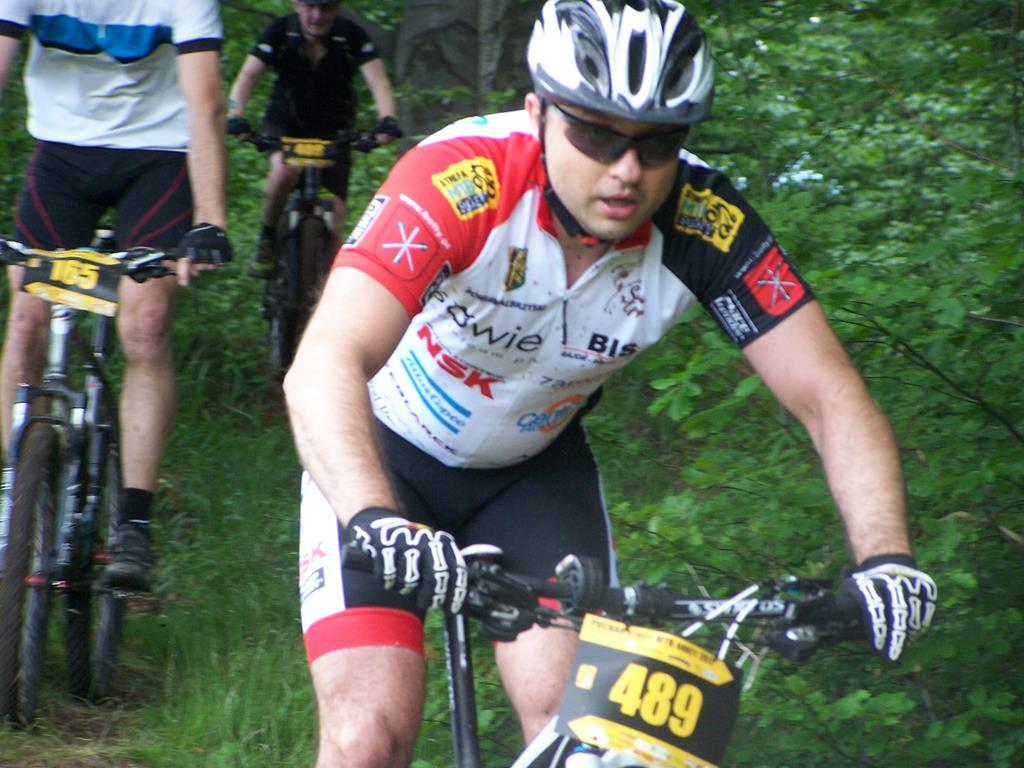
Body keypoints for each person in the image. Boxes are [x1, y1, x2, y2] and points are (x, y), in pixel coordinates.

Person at [284, 1, 938, 765]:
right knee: (367, 738)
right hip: (386, 458)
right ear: (538, 112)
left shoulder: (704, 222)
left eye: (657, 143)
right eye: (595, 134)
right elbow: (324, 361)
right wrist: (373, 516)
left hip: (531, 476)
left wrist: (886, 559)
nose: (627, 169)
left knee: (581, 741)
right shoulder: (462, 180)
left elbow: (830, 395)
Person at [0, 0, 233, 592]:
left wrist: (209, 220)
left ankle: (133, 524)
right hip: (60, 153)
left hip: (159, 156)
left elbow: (206, 104)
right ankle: (13, 498)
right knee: (25, 318)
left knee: (146, 323)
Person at [226, 0, 401, 278]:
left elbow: (378, 81)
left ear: (337, 7)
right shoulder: (280, 31)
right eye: (310, 6)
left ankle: (325, 288)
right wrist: (235, 114)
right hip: (286, 122)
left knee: (337, 214)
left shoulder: (350, 35)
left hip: (335, 129)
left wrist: (387, 120)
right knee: (284, 172)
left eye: (326, 8)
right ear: (296, 4)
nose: (317, 15)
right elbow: (248, 75)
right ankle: (267, 239)